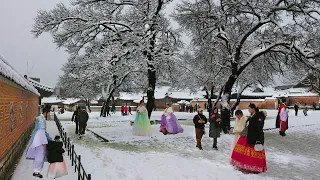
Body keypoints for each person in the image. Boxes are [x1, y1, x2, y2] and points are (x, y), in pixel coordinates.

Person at [230, 103, 267, 173]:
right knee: (246, 153)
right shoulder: (252, 116)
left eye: (249, 109)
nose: (248, 110)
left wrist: (258, 138)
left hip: (255, 137)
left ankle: (255, 167)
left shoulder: (258, 116)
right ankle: (246, 166)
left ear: (253, 109)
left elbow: (258, 128)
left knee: (255, 153)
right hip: (249, 136)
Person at [26, 108, 52, 178]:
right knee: (40, 156)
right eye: (49, 113)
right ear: (45, 112)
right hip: (39, 141)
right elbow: (41, 131)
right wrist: (44, 141)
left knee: (38, 155)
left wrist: (48, 138)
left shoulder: (40, 118)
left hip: (37, 140)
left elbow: (42, 131)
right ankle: (36, 171)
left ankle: (36, 170)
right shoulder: (41, 119)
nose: (49, 114)